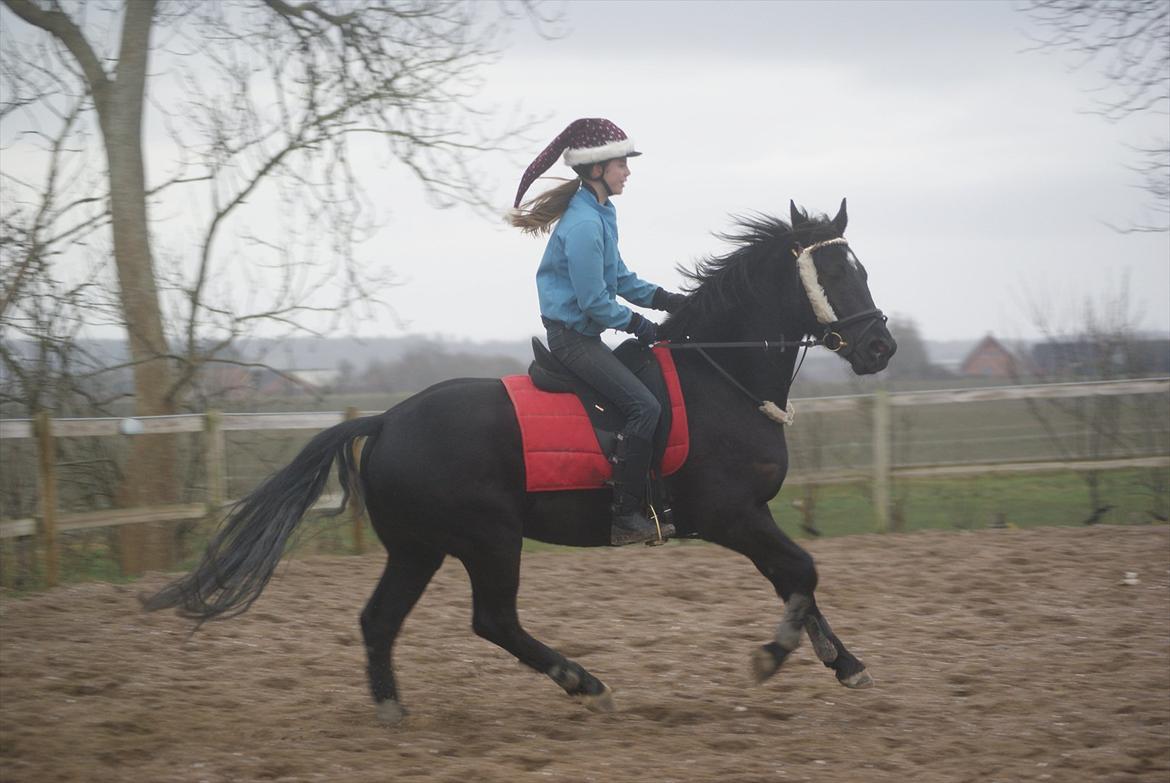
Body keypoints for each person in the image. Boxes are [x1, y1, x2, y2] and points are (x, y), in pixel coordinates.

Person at [510, 118, 687, 546]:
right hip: (573, 341)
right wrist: (640, 325)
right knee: (645, 408)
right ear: (596, 170)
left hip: (585, 335)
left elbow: (619, 278)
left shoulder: (601, 212)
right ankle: (625, 515)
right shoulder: (585, 225)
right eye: (621, 164)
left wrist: (667, 300)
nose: (627, 172)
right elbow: (594, 302)